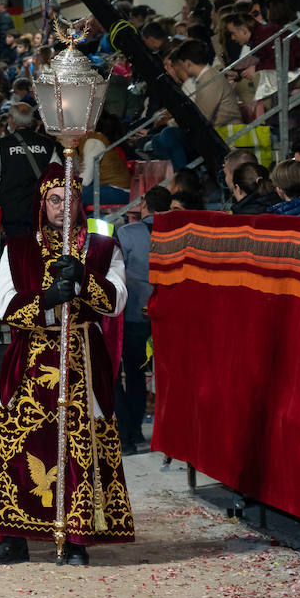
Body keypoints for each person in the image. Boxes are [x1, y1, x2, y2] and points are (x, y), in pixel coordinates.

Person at [0, 165, 132, 566]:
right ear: (43, 203)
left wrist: (86, 278)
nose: (62, 207)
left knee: (80, 445)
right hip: (31, 358)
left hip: (84, 361)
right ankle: (12, 537)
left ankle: (76, 538)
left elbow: (118, 299)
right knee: (17, 447)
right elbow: (6, 306)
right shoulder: (18, 248)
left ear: (79, 203)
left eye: (69, 199)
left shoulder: (104, 248)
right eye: (54, 199)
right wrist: (49, 298)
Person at [115, 186, 169, 454]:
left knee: (134, 374)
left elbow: (116, 272)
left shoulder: (126, 233)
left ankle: (132, 431)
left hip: (136, 313)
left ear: (145, 205)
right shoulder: (177, 234)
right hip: (169, 316)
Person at [0, 103, 56, 237]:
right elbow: (56, 177)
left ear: (11, 120)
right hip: (41, 212)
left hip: (12, 212)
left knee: (16, 253)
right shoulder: (47, 144)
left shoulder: (1, 145)